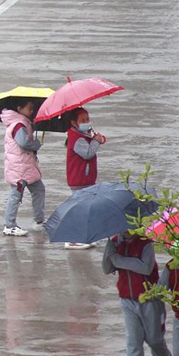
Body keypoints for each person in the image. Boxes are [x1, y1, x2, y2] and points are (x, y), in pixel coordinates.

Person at [102, 231, 179, 356]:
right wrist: (109, 251)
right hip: (127, 301)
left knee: (154, 340)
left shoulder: (145, 243)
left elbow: (146, 268)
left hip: (150, 300)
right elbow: (107, 269)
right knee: (133, 343)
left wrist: (118, 259)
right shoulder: (115, 242)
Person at [0, 99, 45, 236]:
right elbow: (24, 142)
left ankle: (39, 221)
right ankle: (9, 225)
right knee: (16, 195)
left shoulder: (23, 124)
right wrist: (36, 144)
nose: (31, 111)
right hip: (19, 168)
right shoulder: (18, 125)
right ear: (19, 109)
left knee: (39, 190)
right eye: (29, 108)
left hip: (26, 166)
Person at [63, 107, 106, 250]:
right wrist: (96, 141)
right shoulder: (76, 138)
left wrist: (95, 138)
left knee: (85, 209)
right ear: (74, 123)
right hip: (79, 180)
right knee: (80, 210)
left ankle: (82, 237)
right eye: (82, 120)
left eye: (87, 119)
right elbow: (88, 153)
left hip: (85, 179)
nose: (87, 122)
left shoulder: (83, 135)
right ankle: (72, 239)